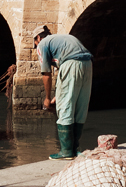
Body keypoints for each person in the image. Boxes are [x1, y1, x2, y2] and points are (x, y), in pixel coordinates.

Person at [33, 25, 94, 160]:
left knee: (65, 108)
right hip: (88, 64)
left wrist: (48, 98)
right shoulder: (63, 38)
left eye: (35, 43)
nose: (36, 45)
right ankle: (75, 149)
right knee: (80, 106)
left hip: (71, 64)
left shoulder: (42, 44)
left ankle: (66, 151)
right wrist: (59, 96)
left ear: (38, 38)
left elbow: (46, 73)